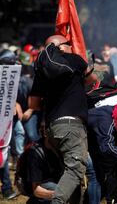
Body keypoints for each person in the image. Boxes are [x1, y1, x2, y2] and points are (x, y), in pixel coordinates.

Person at [29, 35, 97, 203]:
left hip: (52, 128)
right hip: (71, 125)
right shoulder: (73, 59)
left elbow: (34, 103)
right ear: (62, 47)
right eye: (69, 44)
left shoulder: (41, 70)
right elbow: (92, 81)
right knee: (75, 170)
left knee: (66, 173)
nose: (72, 47)